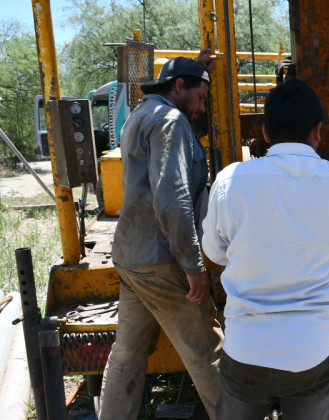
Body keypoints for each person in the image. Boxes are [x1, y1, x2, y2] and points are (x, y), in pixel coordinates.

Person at [201, 78, 329, 420]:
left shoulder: (229, 181)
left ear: (265, 133)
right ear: (319, 131)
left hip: (245, 349)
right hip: (312, 353)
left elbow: (216, 253)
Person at [99, 53, 224, 420]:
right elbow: (172, 198)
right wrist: (193, 264)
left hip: (130, 257)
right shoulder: (170, 121)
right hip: (162, 260)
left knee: (127, 353)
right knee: (207, 352)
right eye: (200, 97)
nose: (202, 108)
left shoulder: (139, 115)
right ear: (179, 87)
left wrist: (198, 64)